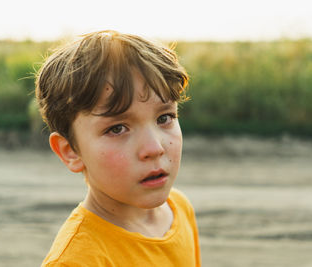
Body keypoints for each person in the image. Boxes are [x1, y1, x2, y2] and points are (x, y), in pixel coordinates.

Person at [35, 30, 201, 266]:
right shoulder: (77, 261)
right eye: (117, 129)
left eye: (164, 118)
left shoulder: (179, 208)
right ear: (70, 150)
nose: (154, 148)